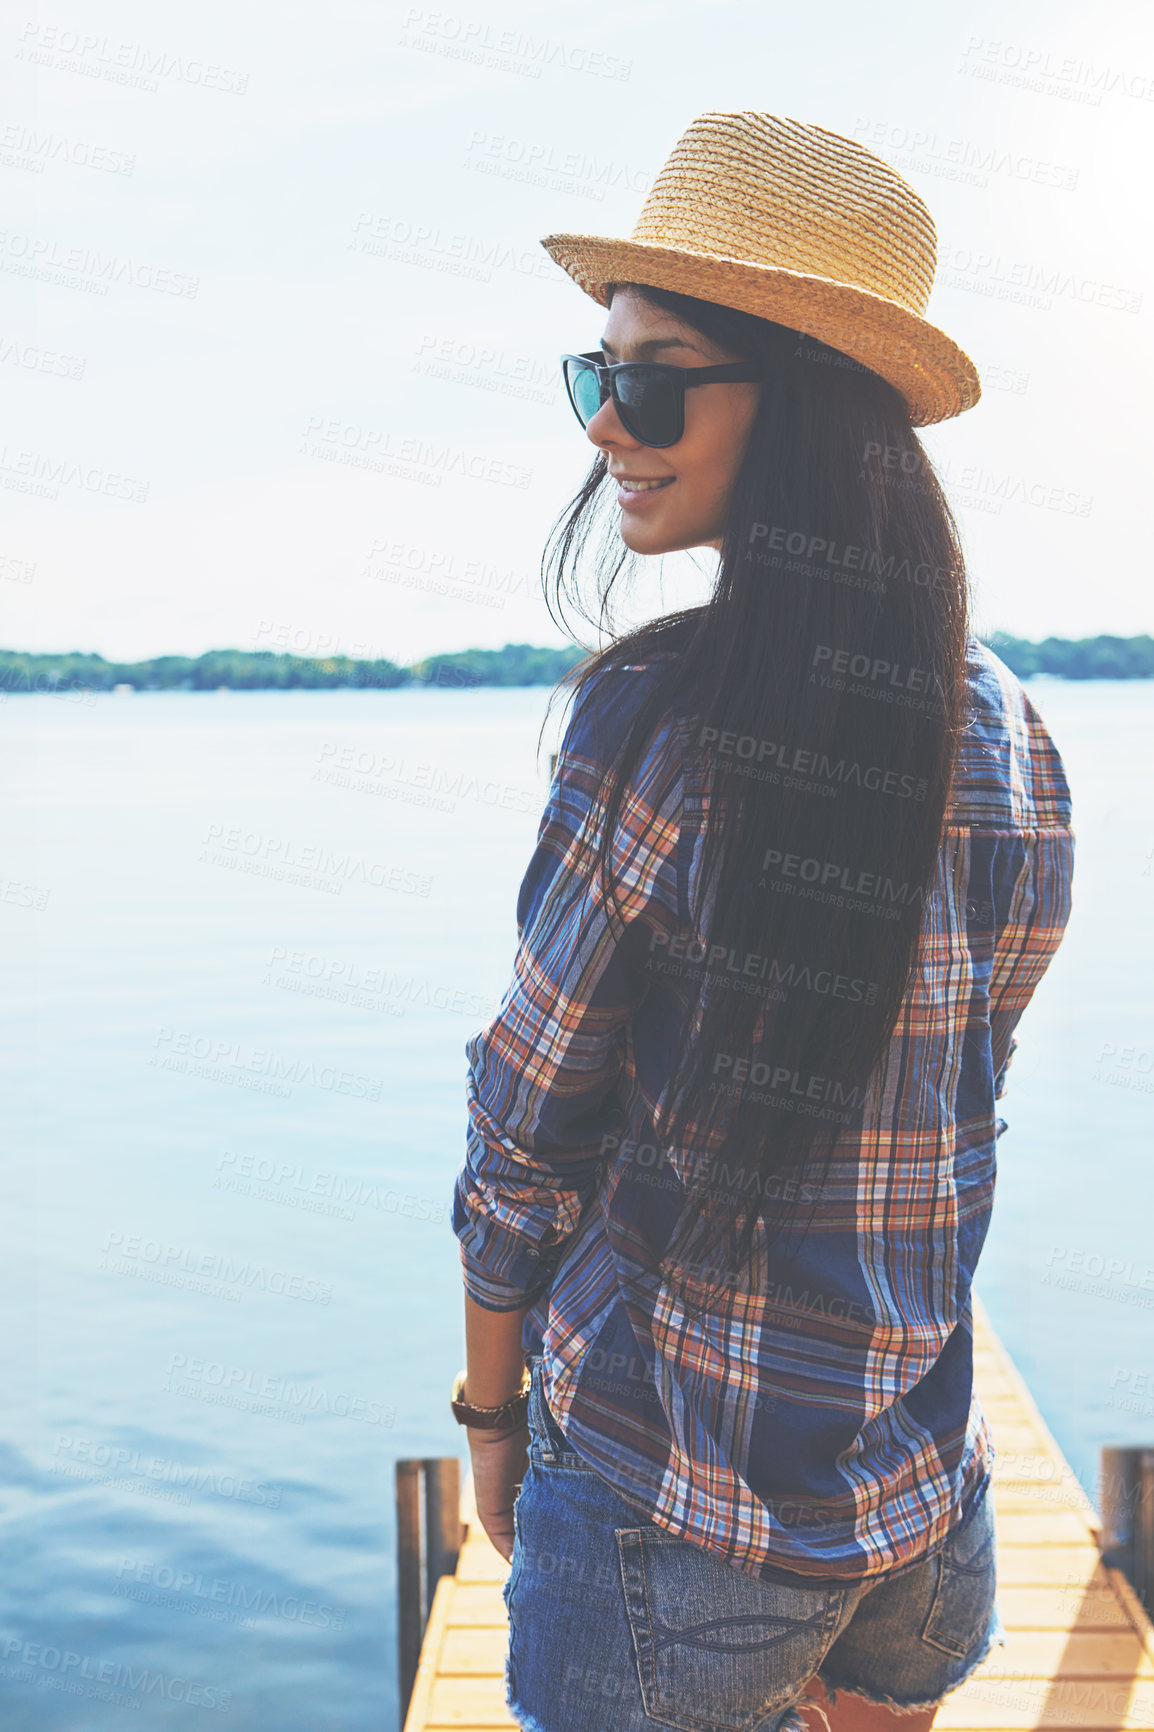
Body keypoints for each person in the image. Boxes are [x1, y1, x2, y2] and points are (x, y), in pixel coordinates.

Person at [448, 113, 1075, 1732]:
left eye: (649, 380)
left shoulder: (654, 724)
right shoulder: (1010, 731)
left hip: (674, 1497)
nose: (602, 427)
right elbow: (967, 1088)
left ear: (793, 409)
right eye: (592, 377)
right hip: (914, 1492)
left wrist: (491, 1415)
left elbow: (525, 1124)